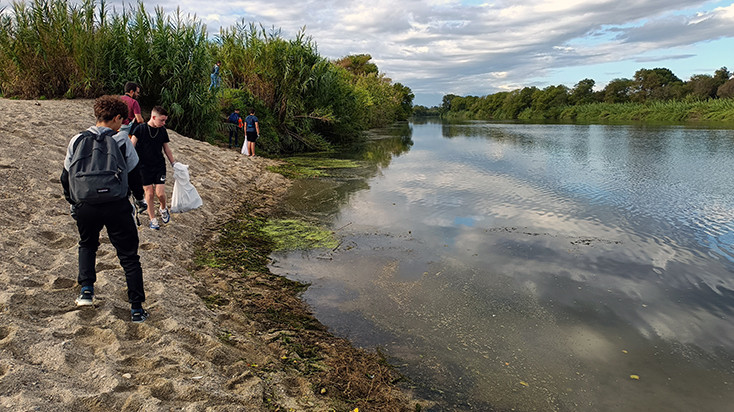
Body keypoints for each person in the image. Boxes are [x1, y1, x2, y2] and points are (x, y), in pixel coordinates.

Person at [60, 95, 149, 323]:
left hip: (86, 204)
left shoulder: (77, 139)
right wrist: (140, 201)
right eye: (123, 119)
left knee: (87, 244)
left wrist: (73, 202)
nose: (123, 124)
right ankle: (137, 308)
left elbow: (65, 176)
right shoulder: (121, 140)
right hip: (116, 204)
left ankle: (87, 291)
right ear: (117, 118)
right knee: (129, 256)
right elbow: (134, 175)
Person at [131, 106, 176, 230]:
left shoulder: (162, 131)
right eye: (162, 120)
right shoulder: (140, 129)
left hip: (158, 165)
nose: (164, 123)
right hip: (143, 167)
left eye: (165, 120)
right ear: (154, 117)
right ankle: (153, 219)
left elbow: (166, 149)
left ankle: (163, 208)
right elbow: (131, 146)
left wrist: (174, 163)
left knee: (160, 193)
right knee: (149, 194)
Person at [119, 81, 147, 214]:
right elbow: (139, 119)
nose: (137, 94)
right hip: (128, 134)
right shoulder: (133, 103)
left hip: (116, 130)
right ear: (131, 91)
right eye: (137, 92)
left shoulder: (118, 100)